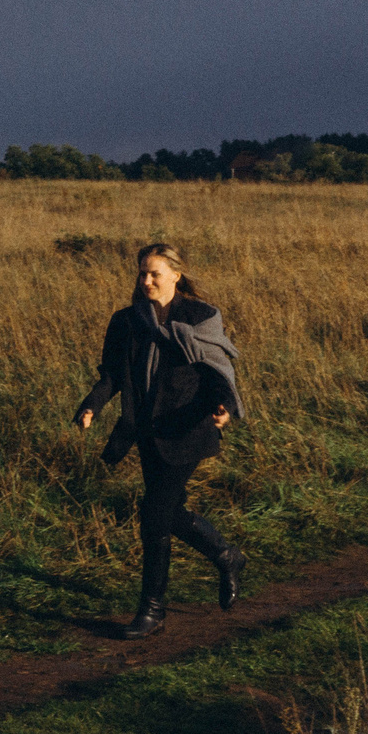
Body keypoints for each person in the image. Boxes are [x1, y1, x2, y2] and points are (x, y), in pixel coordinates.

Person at [74, 243, 246, 638]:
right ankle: (226, 556)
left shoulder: (201, 317)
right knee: (168, 511)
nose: (146, 281)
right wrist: (92, 405)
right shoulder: (126, 321)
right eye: (142, 273)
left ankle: (152, 611)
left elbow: (216, 368)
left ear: (176, 275)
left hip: (189, 426)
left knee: (154, 514)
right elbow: (112, 374)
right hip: (147, 430)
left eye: (154, 273)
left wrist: (223, 406)